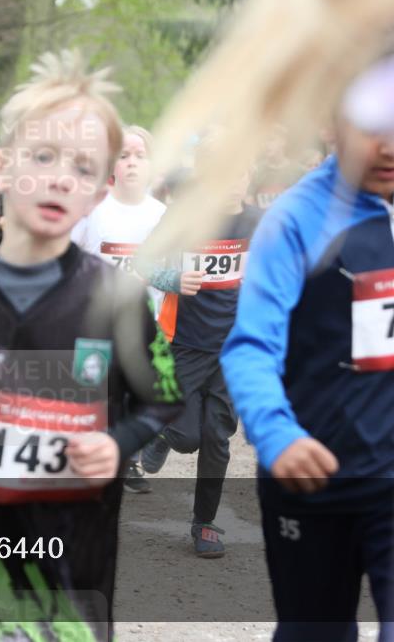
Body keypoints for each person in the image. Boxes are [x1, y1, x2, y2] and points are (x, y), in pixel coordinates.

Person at [0, 50, 183, 642]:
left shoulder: (115, 298)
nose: (62, 176)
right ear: (3, 169)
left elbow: (163, 399)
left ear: (98, 191)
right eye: (43, 156)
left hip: (78, 531)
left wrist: (115, 443)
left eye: (84, 168)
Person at [220, 115, 394, 640]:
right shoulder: (295, 219)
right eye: (372, 129)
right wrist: (278, 436)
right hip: (316, 474)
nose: (391, 147)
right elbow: (251, 347)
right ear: (333, 127)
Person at [140, 162, 263, 557]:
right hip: (186, 342)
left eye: (239, 173)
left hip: (232, 347)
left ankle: (204, 524)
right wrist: (174, 280)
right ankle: (161, 431)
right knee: (188, 435)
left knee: (217, 436)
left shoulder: (258, 221)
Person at [71, 124, 167, 494]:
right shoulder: (93, 210)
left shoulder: (162, 214)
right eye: (123, 155)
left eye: (139, 156)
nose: (131, 163)